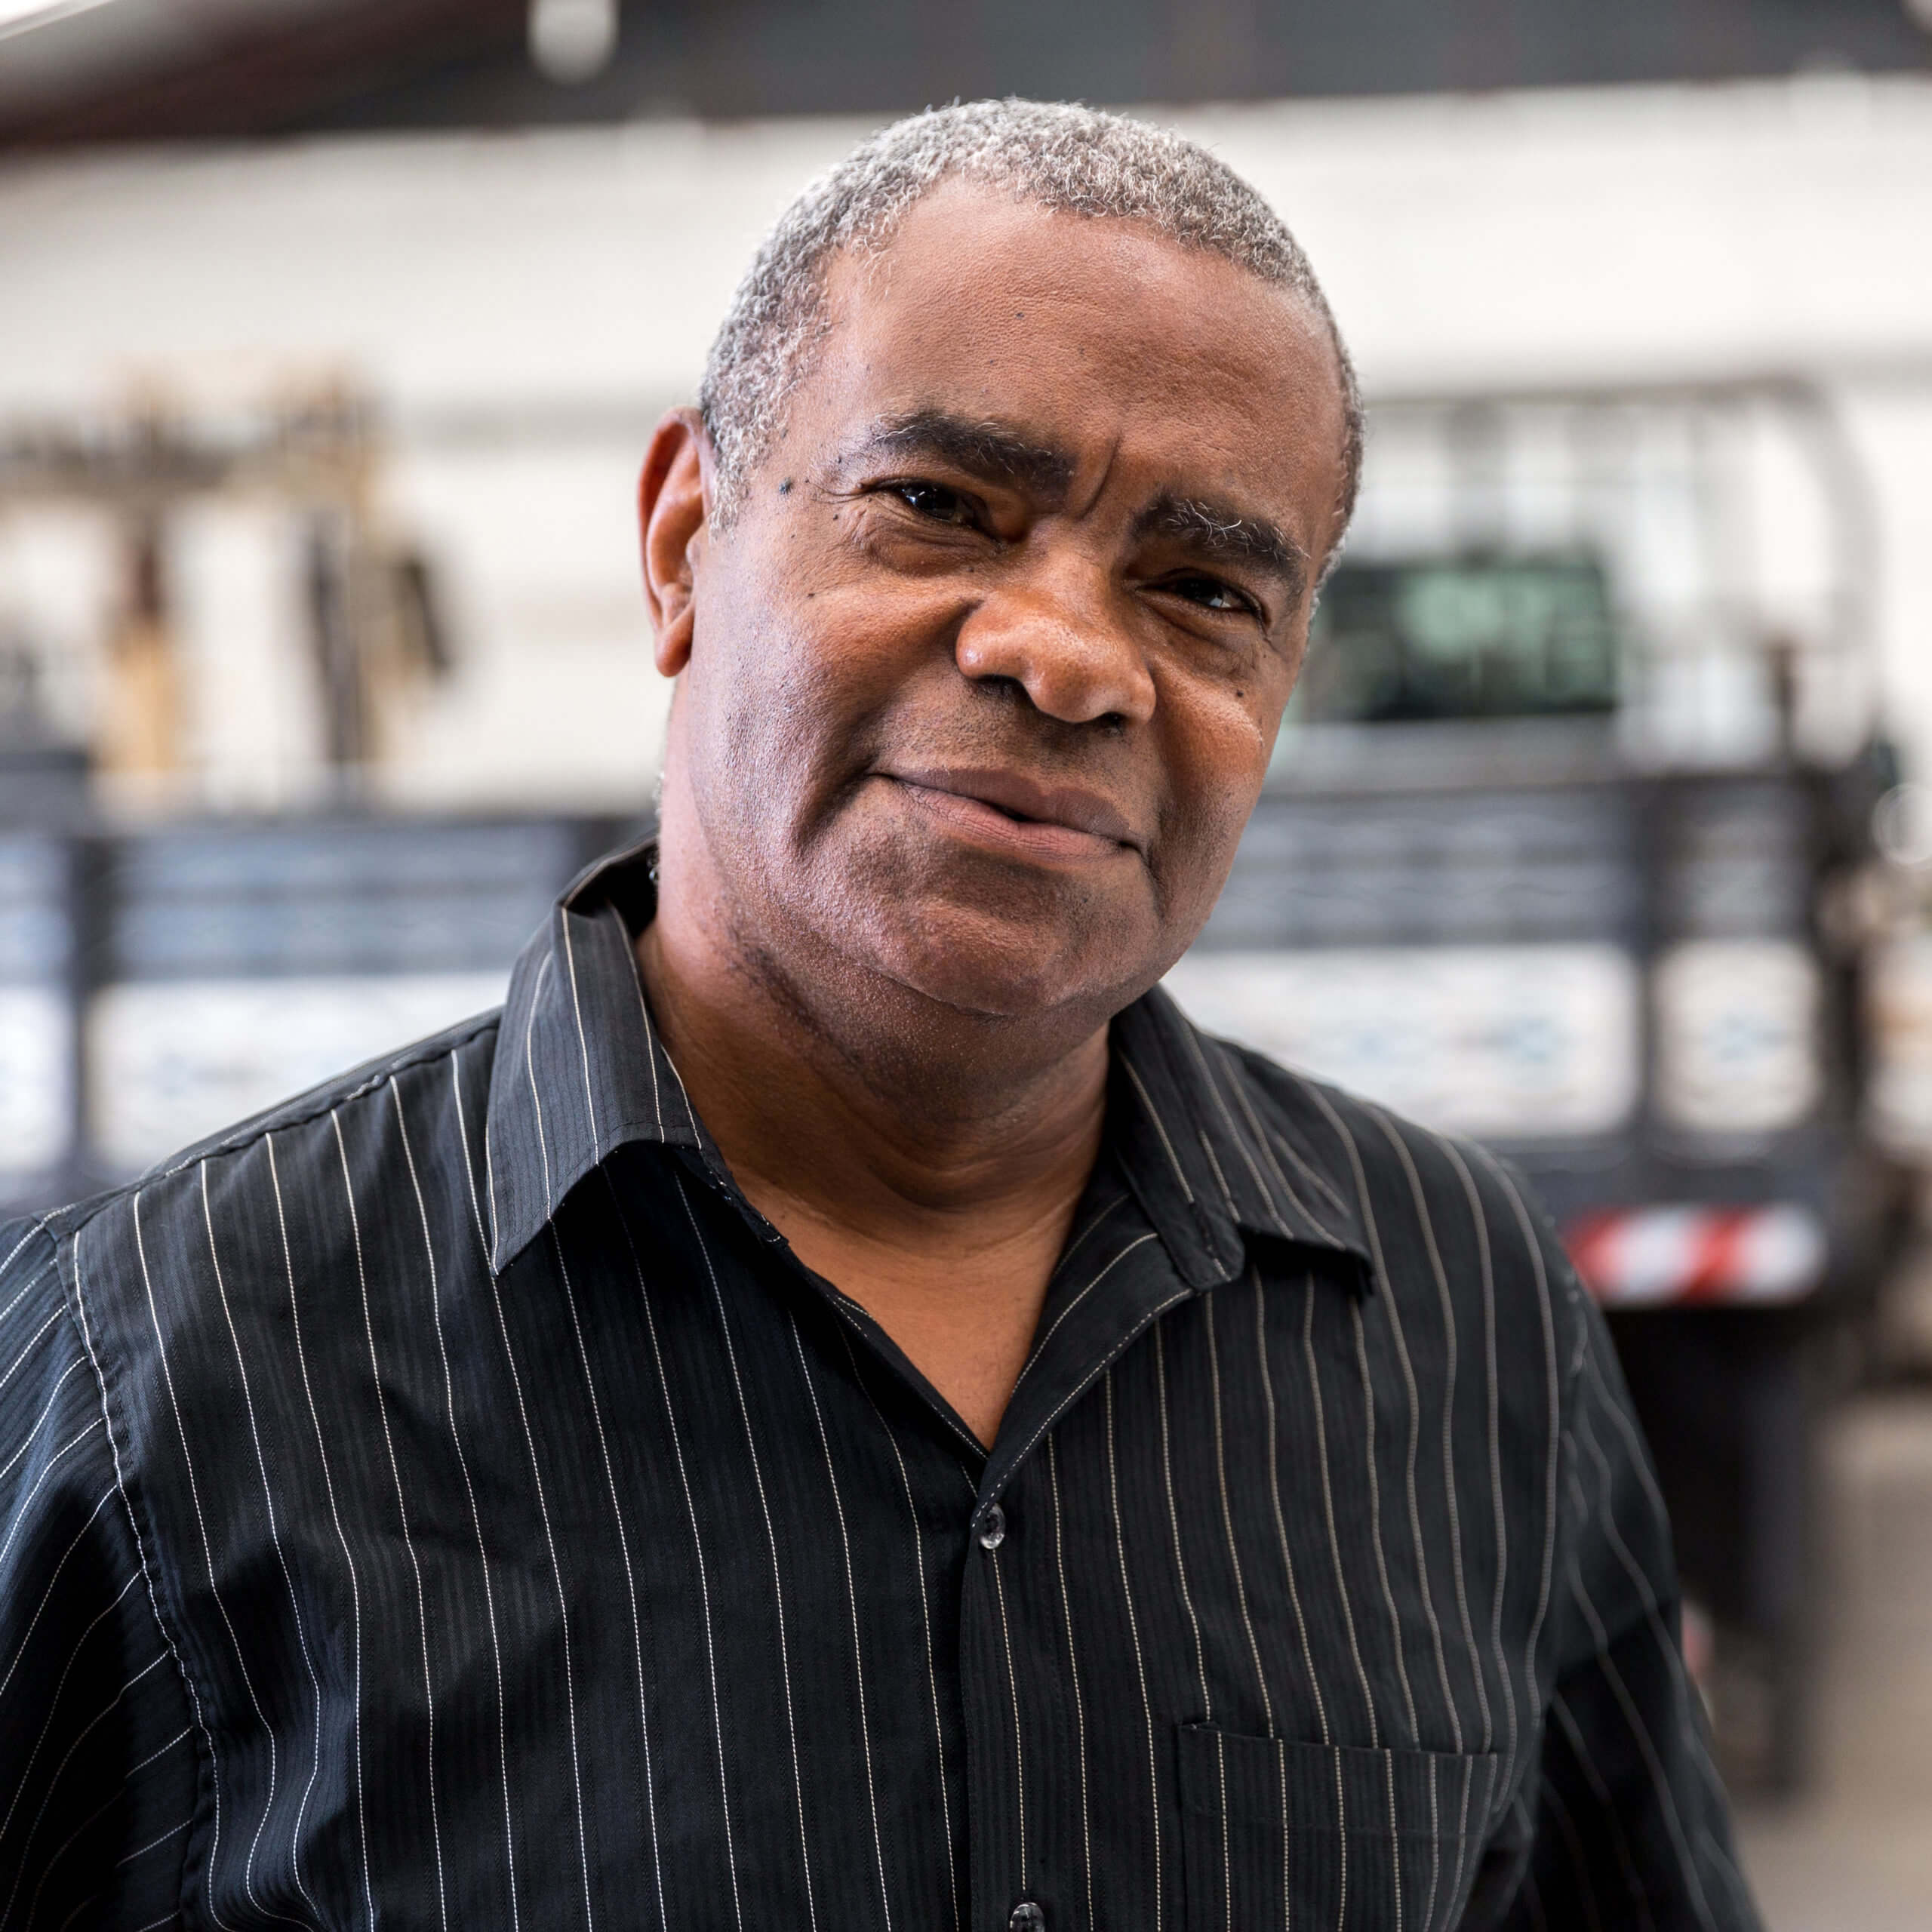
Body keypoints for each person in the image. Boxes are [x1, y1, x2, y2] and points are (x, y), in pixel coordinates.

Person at [0, 100, 1756, 1930]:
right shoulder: (154, 1372)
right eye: (936, 505)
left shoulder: (1463, 1314)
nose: (1067, 652)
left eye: (1203, 588)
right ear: (683, 541)